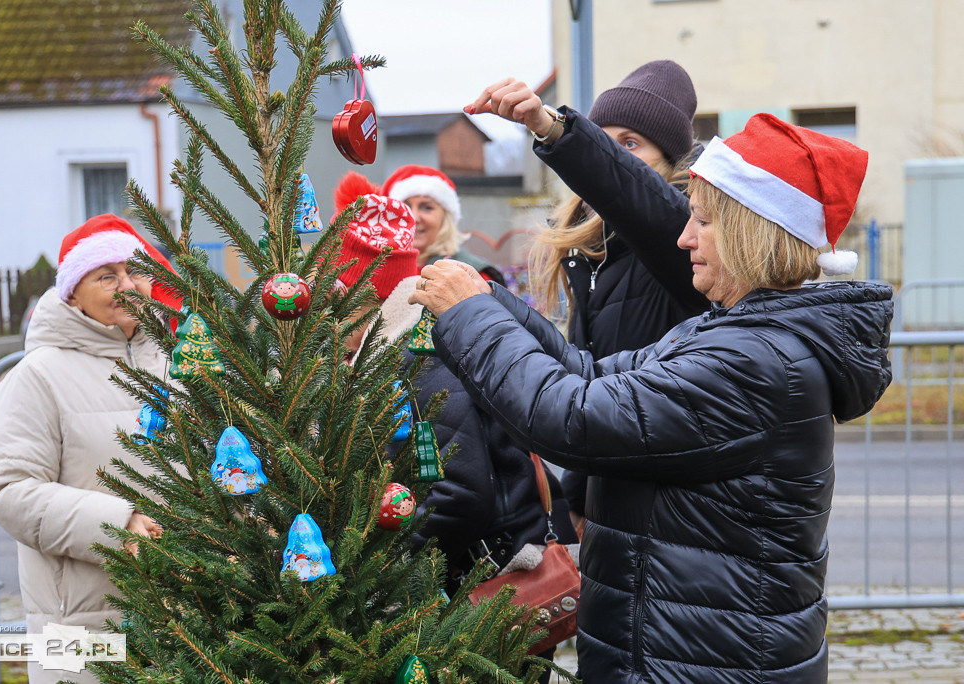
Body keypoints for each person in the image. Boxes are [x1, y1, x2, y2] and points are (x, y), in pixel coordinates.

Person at [409, 113, 893, 682]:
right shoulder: (731, 333)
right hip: (681, 653)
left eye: (704, 221)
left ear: (752, 233)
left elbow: (570, 417)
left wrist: (470, 315)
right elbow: (589, 375)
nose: (685, 237)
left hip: (704, 665)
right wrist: (492, 301)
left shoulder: (754, 362)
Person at [333, 174, 577, 679]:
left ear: (364, 296)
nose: (328, 318)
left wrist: (373, 558)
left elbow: (460, 493)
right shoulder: (398, 349)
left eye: (336, 299)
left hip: (492, 593)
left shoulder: (421, 356)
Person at [469, 62, 711, 526]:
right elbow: (587, 390)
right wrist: (578, 504)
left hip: (668, 509)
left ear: (670, 164)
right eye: (604, 138)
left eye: (630, 144)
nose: (613, 154)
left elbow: (645, 204)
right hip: (611, 502)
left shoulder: (683, 239)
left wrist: (553, 128)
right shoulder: (591, 254)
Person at [0, 214, 179, 684]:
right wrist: (117, 526)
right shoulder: (38, 376)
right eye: (107, 276)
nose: (127, 285)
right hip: (81, 628)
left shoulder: (179, 365)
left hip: (184, 622)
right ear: (72, 293)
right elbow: (9, 491)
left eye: (135, 271)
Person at [380, 164, 506, 286]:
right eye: (405, 207)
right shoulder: (376, 269)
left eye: (427, 207)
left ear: (445, 218)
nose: (414, 217)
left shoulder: (472, 277)